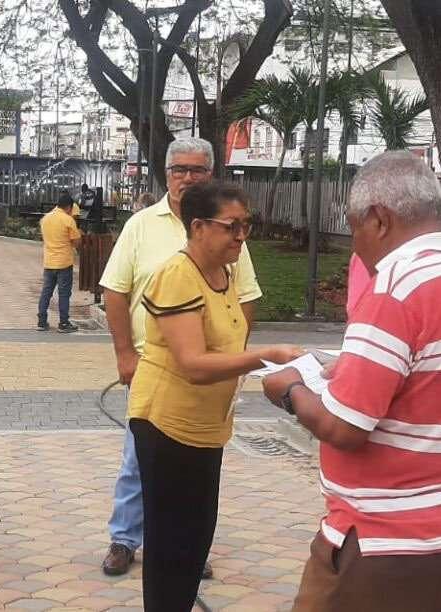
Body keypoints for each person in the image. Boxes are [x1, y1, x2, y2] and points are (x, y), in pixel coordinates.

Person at [263, 150, 441, 612]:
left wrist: (289, 389)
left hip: (393, 540)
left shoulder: (396, 291)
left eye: (354, 227)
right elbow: (440, 386)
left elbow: (345, 428)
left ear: (379, 219)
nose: (355, 245)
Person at [129, 180, 301, 610]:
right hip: (167, 425)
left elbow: (228, 345)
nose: (241, 236)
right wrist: (267, 357)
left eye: (247, 225)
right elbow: (193, 362)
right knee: (171, 542)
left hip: (207, 426)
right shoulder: (177, 275)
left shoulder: (227, 272)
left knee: (197, 536)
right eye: (231, 226)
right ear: (198, 227)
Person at [98, 136, 262, 578]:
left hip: (210, 378)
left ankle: (183, 548)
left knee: (196, 476)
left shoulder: (228, 230)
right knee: (140, 461)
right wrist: (124, 354)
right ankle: (125, 539)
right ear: (166, 174)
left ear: (210, 174)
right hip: (157, 369)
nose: (187, 177)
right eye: (179, 170)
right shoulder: (142, 226)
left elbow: (245, 296)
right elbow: (115, 291)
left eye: (197, 170)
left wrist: (233, 355)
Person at [38, 192, 83, 332]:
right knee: (64, 294)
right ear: (69, 207)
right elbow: (76, 242)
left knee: (46, 292)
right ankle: (63, 323)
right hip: (64, 263)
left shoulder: (45, 219)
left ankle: (41, 321)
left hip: (49, 262)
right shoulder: (68, 220)